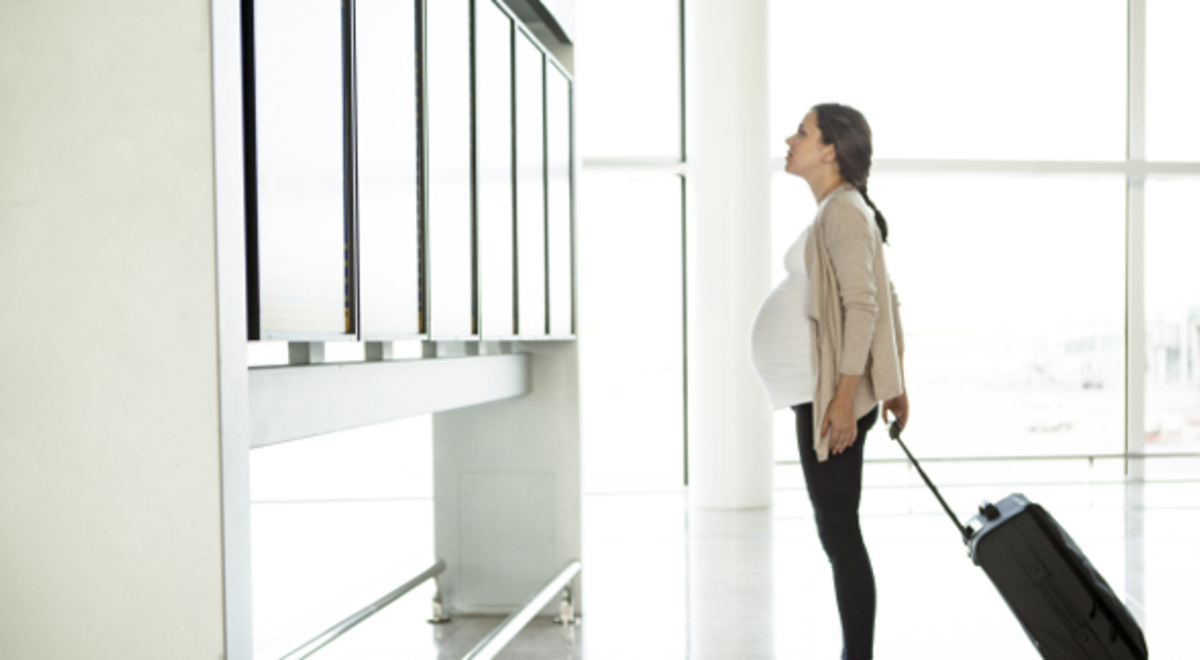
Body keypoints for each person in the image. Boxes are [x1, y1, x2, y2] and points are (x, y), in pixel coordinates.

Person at [751, 103, 908, 660]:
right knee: (837, 533)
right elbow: (885, 297)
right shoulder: (841, 210)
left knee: (840, 534)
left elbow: (864, 307)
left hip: (829, 399)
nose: (789, 139)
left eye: (802, 132)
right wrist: (891, 384)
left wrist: (846, 401)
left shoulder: (842, 211)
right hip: (820, 395)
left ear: (830, 151)